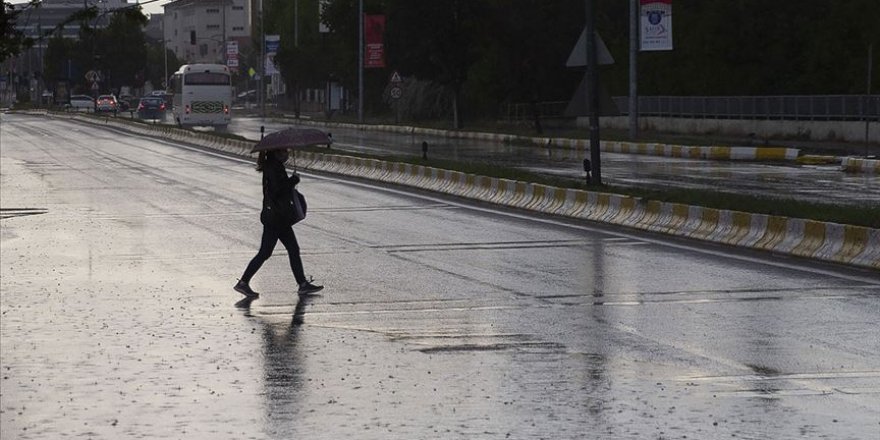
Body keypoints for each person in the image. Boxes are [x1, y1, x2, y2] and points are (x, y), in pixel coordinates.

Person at [235, 149, 323, 297]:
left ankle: (302, 284)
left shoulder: (274, 165)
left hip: (278, 217)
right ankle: (243, 282)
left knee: (292, 249)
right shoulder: (273, 167)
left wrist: (291, 181)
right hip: (275, 218)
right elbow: (277, 190)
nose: (287, 153)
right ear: (277, 153)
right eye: (284, 151)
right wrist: (293, 180)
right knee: (266, 252)